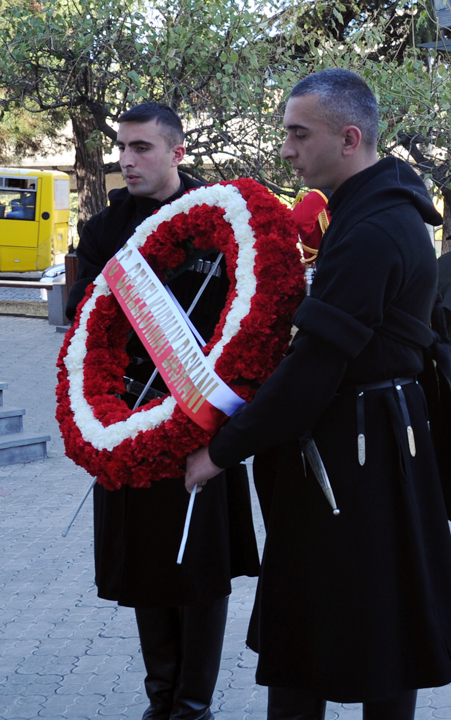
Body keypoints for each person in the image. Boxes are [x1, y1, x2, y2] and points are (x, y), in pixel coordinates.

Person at [184, 69, 451, 719]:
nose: (288, 149)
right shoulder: (370, 212)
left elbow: (314, 369)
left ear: (349, 138)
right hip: (368, 440)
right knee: (370, 625)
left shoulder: (373, 228)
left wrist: (222, 451)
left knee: (348, 630)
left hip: (356, 448)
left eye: (300, 135)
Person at [67, 103, 259, 720]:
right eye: (121, 147)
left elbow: (249, 316)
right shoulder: (104, 229)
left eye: (142, 148)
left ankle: (194, 703)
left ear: (177, 152)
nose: (126, 160)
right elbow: (83, 321)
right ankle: (162, 697)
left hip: (203, 418)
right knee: (146, 558)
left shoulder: (220, 217)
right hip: (129, 419)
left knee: (200, 567)